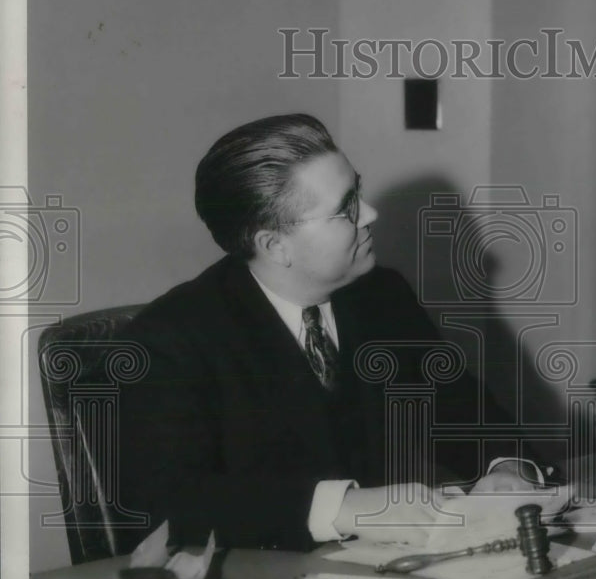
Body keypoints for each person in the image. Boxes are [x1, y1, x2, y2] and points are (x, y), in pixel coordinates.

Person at [116, 113, 538, 554]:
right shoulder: (170, 340)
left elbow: (461, 409)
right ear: (275, 246)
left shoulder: (381, 296)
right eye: (346, 208)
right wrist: (344, 508)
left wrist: (508, 467)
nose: (371, 214)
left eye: (359, 190)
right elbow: (170, 504)